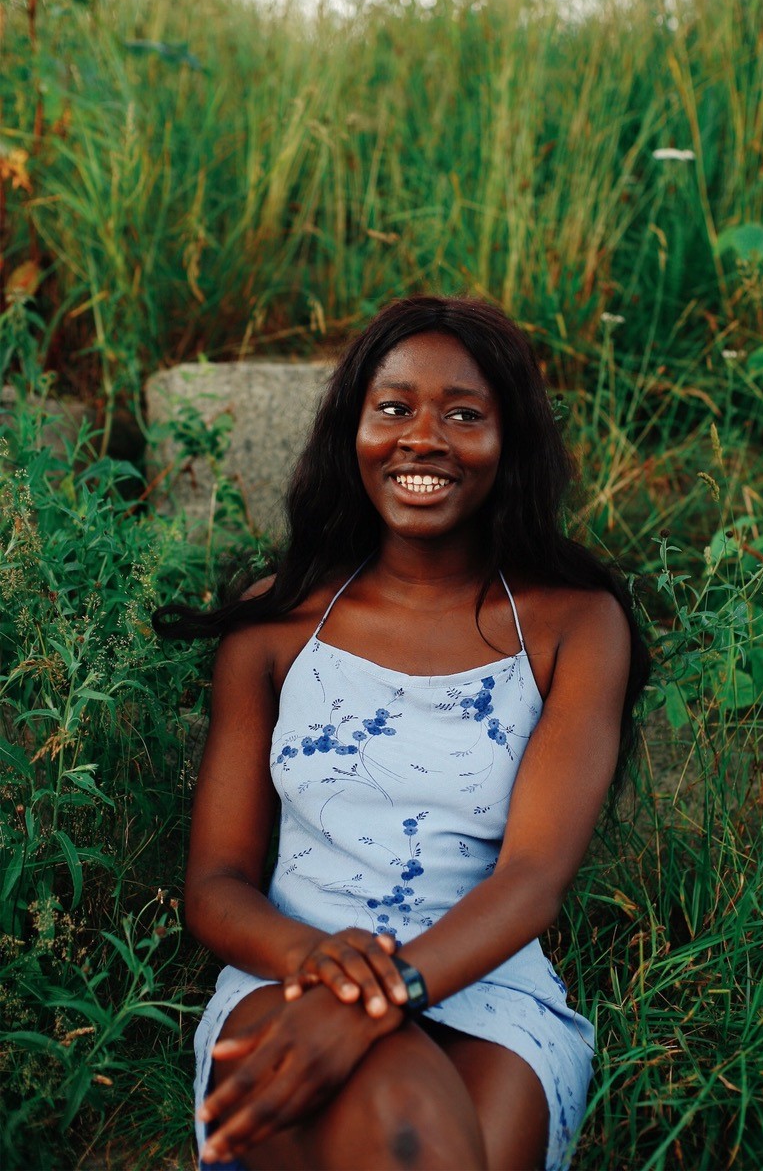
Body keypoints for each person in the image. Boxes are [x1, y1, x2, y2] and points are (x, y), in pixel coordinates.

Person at [153, 295, 649, 1171]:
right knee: (409, 1126)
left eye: (464, 413)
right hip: (293, 970)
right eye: (394, 409)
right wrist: (328, 973)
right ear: (354, 430)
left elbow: (534, 878)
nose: (423, 438)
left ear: (511, 442)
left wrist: (379, 997)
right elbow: (218, 881)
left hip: (489, 980)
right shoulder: (275, 625)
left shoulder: (576, 624)